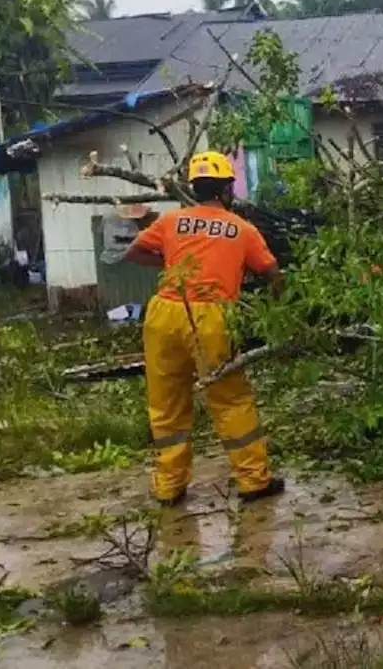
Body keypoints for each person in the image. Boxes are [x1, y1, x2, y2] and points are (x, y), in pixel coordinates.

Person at [124, 151, 284, 507]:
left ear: (195, 188)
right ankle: (254, 481)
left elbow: (134, 252)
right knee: (230, 398)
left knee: (166, 403)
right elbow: (272, 273)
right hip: (211, 317)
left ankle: (169, 486)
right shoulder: (241, 228)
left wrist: (168, 264)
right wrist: (279, 308)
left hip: (164, 312)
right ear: (227, 189)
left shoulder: (171, 221)